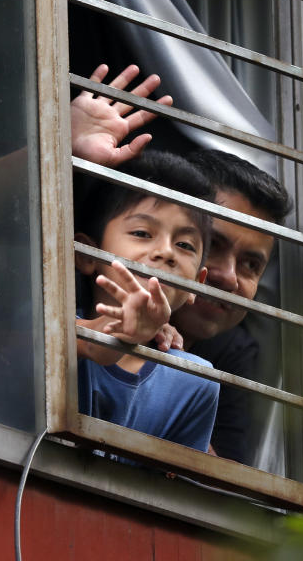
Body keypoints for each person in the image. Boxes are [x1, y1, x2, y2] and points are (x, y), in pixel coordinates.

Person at [73, 150, 219, 452]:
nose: (166, 252)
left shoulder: (193, 382)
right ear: (86, 256)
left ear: (196, 285)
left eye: (184, 244)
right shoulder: (56, 329)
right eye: (142, 233)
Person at [170, 150, 293, 465]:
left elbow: (222, 488)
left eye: (251, 264)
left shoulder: (229, 353)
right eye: (212, 245)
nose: (228, 277)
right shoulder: (91, 306)